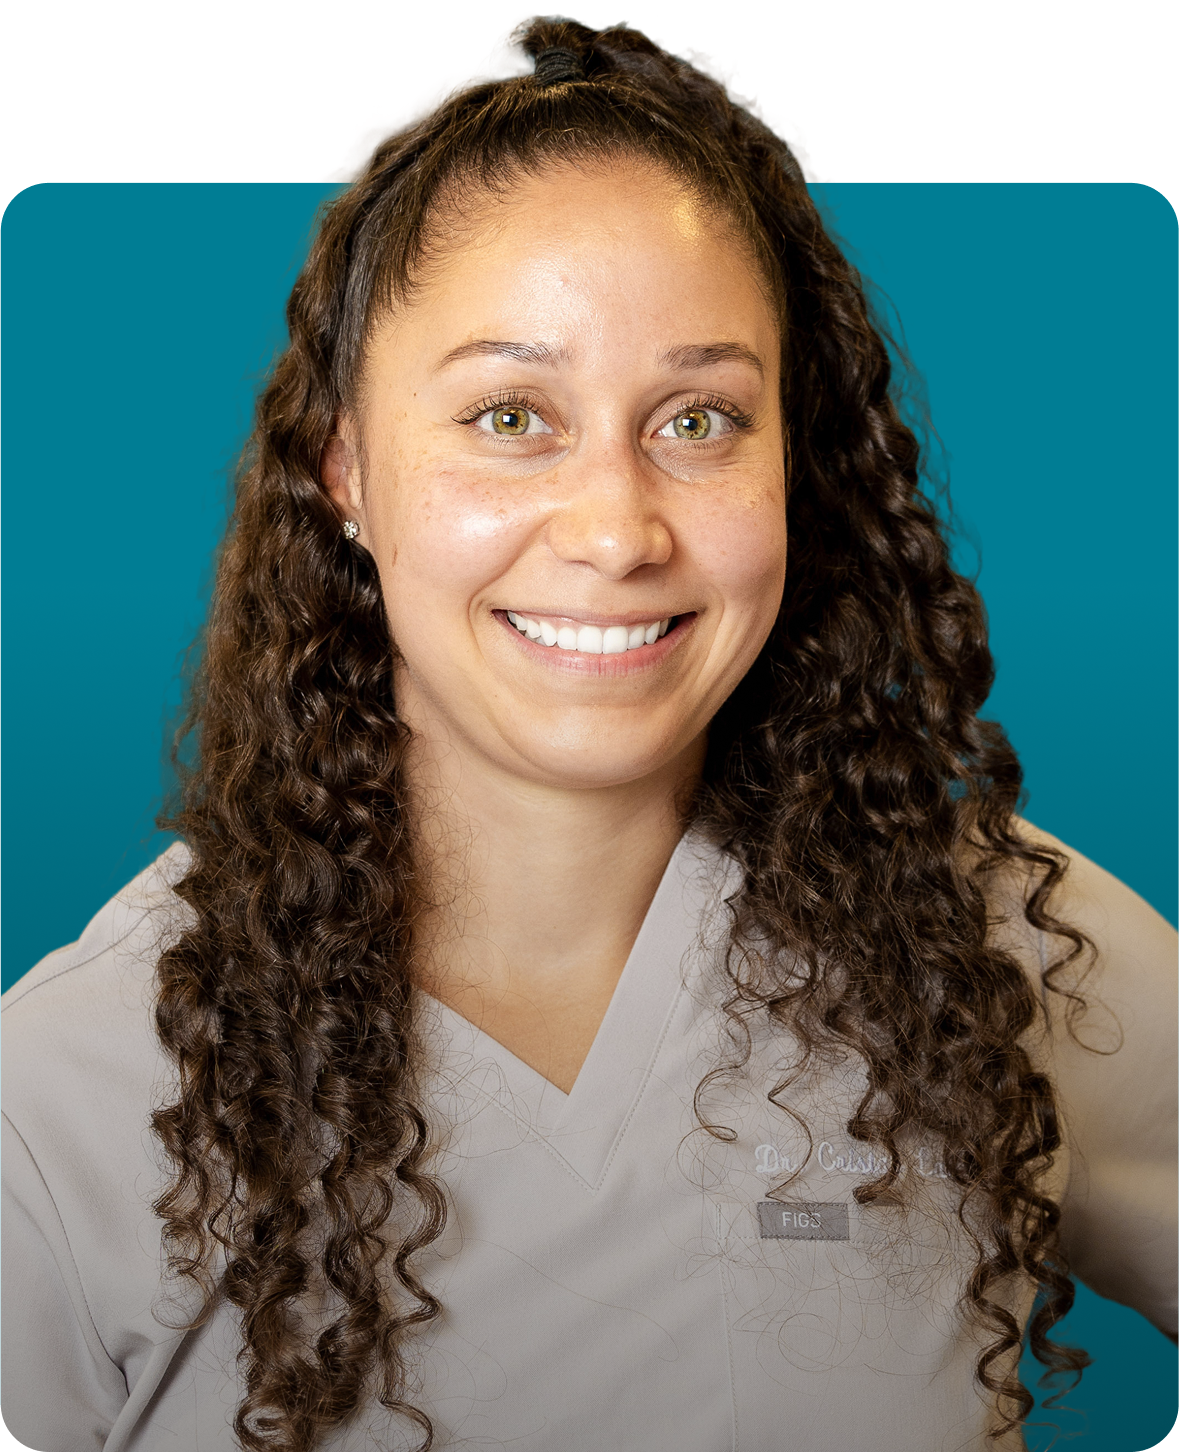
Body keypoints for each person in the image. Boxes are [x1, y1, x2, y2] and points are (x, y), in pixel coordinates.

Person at [2, 16, 1175, 1452]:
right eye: (510, 414)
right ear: (347, 475)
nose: (618, 529)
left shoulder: (989, 952)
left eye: (697, 420)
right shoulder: (66, 1100)